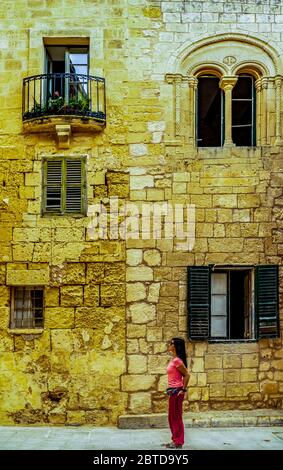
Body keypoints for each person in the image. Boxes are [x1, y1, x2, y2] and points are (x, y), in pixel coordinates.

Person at [164, 337, 190, 449]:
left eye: (172, 343)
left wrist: (183, 390)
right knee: (172, 417)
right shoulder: (173, 359)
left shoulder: (177, 361)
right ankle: (175, 440)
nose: (169, 344)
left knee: (176, 417)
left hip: (177, 392)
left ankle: (178, 442)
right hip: (172, 391)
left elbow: (187, 375)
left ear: (176, 346)